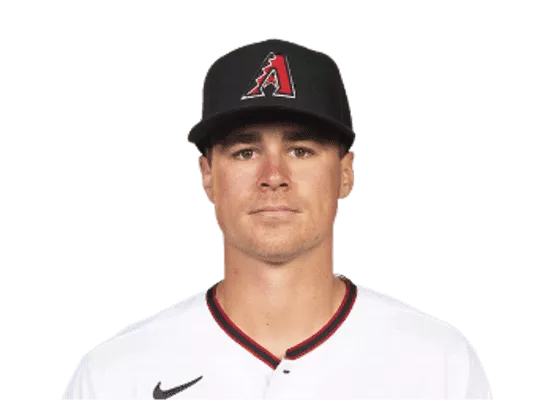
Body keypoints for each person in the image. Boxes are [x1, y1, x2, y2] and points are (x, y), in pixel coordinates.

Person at [62, 37, 493, 400]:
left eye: (300, 151)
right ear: (207, 175)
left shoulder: (438, 364)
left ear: (346, 173)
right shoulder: (116, 375)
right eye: (245, 152)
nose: (273, 176)